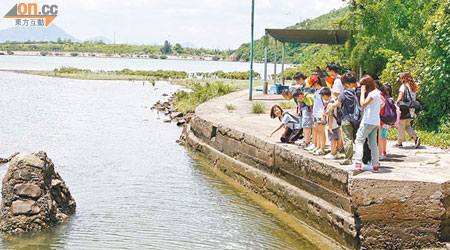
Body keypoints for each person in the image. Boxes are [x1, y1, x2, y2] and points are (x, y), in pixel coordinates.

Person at [326, 72, 360, 165]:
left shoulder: (346, 92)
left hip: (347, 118)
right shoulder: (359, 91)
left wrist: (329, 110)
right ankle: (360, 159)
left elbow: (337, 103)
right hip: (358, 119)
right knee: (358, 139)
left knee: (348, 139)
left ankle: (348, 159)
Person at [353, 75, 381, 172]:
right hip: (376, 121)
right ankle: (375, 165)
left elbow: (363, 104)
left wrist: (362, 93)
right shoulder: (378, 93)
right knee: (373, 143)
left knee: (359, 140)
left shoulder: (372, 94)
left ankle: (358, 163)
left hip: (368, 121)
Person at [395, 72, 421, 148]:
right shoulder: (413, 87)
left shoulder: (403, 87)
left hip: (404, 109)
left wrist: (396, 103)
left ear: (403, 78)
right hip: (411, 110)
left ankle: (399, 142)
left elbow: (400, 97)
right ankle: (416, 138)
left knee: (401, 125)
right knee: (407, 125)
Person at [320, 87, 341, 159]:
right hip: (337, 123)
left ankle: (333, 153)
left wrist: (329, 127)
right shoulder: (335, 101)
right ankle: (336, 151)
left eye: (323, 96)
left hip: (333, 124)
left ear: (326, 96)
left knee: (332, 139)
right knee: (335, 138)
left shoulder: (330, 104)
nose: (323, 98)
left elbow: (331, 116)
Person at [309, 75, 327, 155]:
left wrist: (323, 114)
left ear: (316, 83)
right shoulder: (316, 91)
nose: (313, 87)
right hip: (316, 114)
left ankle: (322, 148)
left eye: (313, 85)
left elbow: (325, 104)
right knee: (317, 131)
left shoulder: (323, 91)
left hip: (320, 115)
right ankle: (318, 146)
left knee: (322, 132)